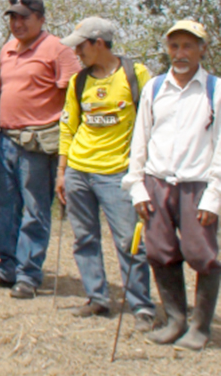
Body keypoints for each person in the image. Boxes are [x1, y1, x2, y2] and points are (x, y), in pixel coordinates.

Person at [123, 20, 221, 351]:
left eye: (188, 46)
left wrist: (214, 197)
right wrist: (136, 186)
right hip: (156, 183)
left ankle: (200, 327)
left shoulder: (215, 90)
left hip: (197, 185)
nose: (180, 53)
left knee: (201, 254)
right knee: (160, 252)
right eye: (174, 46)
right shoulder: (154, 88)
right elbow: (141, 140)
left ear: (202, 49)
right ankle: (175, 320)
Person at [0, 0, 81, 299]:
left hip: (39, 143)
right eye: (13, 17)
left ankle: (28, 274)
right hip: (6, 139)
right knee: (3, 207)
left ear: (41, 19)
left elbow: (73, 100)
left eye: (24, 17)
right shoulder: (7, 49)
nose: (17, 23)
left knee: (35, 210)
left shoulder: (58, 50)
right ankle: (7, 267)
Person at [56, 17, 155, 330]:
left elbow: (150, 123)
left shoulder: (136, 75)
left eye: (81, 46)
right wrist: (62, 171)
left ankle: (141, 306)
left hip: (118, 173)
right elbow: (69, 126)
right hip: (78, 170)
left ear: (99, 42)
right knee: (84, 238)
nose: (77, 53)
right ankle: (97, 297)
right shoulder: (78, 81)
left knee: (129, 241)